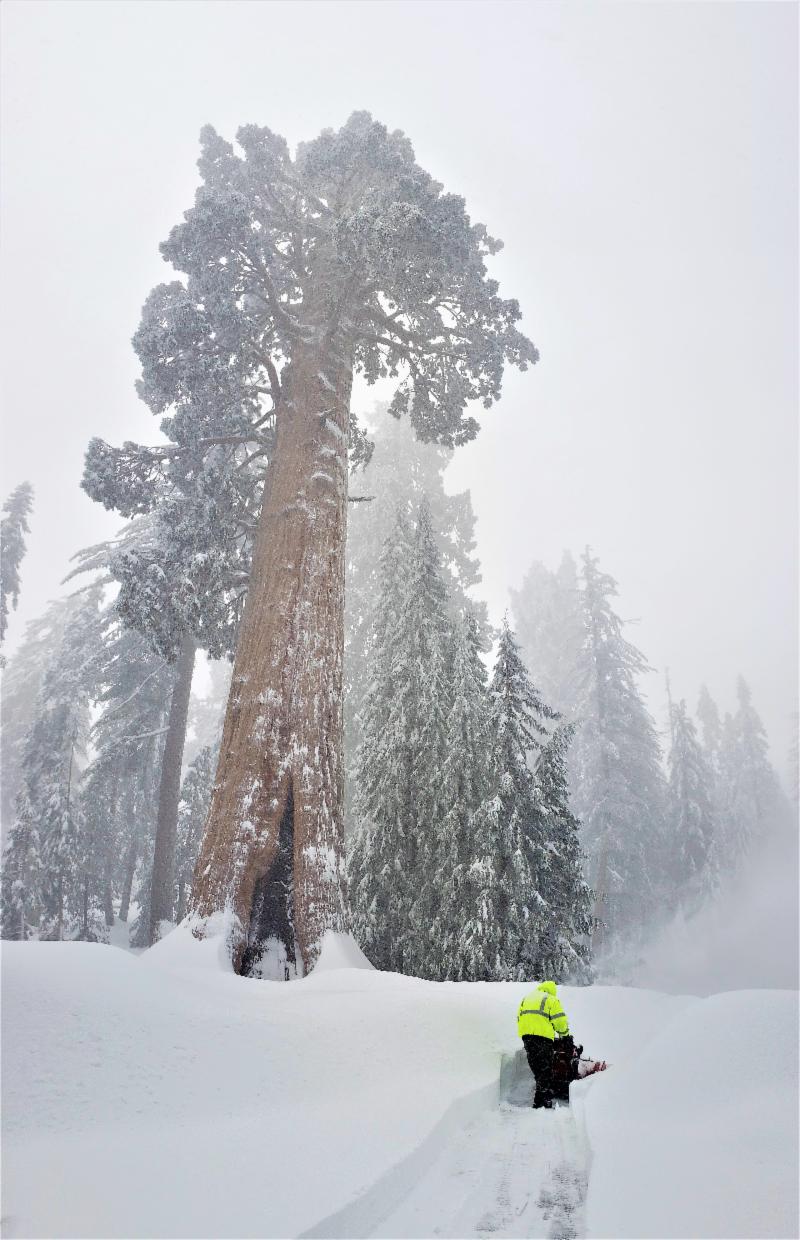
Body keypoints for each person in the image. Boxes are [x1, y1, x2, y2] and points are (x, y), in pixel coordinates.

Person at [517, 980, 573, 1109]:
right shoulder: (551, 999)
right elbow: (560, 1021)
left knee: (537, 1067)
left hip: (527, 1037)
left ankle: (541, 1097)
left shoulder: (527, 998)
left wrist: (526, 1033)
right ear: (552, 991)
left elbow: (519, 1018)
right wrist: (565, 1036)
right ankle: (541, 1101)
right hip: (543, 1038)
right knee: (545, 1069)